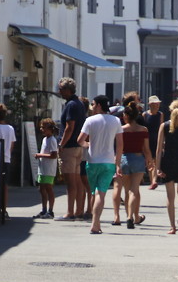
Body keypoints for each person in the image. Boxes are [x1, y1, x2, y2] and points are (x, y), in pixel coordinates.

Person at [78, 95, 123, 234]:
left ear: (98, 105)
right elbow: (120, 144)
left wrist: (89, 144)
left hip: (92, 162)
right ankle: (95, 224)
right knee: (100, 194)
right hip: (108, 162)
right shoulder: (116, 120)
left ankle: (95, 223)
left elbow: (80, 140)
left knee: (94, 193)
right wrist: (118, 163)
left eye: (92, 104)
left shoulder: (90, 120)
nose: (91, 106)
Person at [154, 99, 178, 234]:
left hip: (168, 162)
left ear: (170, 110)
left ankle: (172, 227)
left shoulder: (164, 126)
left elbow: (159, 150)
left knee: (170, 196)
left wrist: (157, 168)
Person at [56, 78, 87, 221]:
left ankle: (70, 212)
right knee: (77, 180)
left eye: (61, 89)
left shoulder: (71, 105)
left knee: (71, 182)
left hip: (69, 146)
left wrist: (61, 144)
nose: (59, 92)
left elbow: (69, 127)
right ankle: (79, 210)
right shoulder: (79, 103)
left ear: (68, 90)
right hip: (78, 146)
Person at [118, 101, 152, 229]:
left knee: (127, 191)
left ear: (126, 116)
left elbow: (119, 148)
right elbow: (146, 149)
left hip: (125, 159)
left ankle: (129, 216)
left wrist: (117, 163)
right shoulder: (143, 130)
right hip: (138, 159)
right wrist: (150, 162)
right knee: (134, 190)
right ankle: (130, 218)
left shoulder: (121, 130)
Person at [33, 118, 59, 219]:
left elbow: (53, 155)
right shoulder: (45, 139)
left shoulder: (52, 140)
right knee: (41, 188)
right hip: (42, 168)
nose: (41, 129)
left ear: (50, 129)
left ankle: (50, 210)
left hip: (49, 169)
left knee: (48, 188)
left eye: (44, 127)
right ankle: (44, 210)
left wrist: (40, 155)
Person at [144, 96, 165, 190]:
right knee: (149, 160)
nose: (157, 105)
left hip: (157, 139)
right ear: (150, 104)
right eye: (155, 104)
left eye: (158, 104)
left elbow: (162, 127)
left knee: (156, 160)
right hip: (148, 139)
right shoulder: (145, 114)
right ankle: (152, 179)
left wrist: (163, 140)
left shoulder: (160, 114)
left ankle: (154, 181)